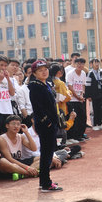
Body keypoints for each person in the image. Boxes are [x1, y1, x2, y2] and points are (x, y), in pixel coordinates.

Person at [27, 60, 63, 191]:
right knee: (46, 153)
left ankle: (45, 181)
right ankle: (46, 183)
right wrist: (47, 121)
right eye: (40, 70)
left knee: (48, 152)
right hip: (45, 124)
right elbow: (38, 107)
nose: (44, 71)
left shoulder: (45, 84)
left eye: (45, 69)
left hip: (51, 123)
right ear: (35, 73)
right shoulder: (35, 86)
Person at [0, 115, 39, 179]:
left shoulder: (21, 136)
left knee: (41, 158)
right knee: (2, 161)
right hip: (9, 164)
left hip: (19, 162)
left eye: (18, 124)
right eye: (13, 124)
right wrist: (27, 167)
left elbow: (34, 148)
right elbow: (9, 159)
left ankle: (22, 174)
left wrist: (26, 132)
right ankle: (31, 173)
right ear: (7, 126)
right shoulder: (1, 139)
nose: (16, 126)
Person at [65, 57, 89, 142]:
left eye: (81, 63)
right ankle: (72, 136)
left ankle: (80, 135)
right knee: (74, 117)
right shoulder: (70, 74)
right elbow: (70, 86)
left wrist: (82, 95)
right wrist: (77, 96)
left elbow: (83, 85)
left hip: (80, 99)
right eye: (78, 63)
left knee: (82, 117)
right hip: (72, 100)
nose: (80, 65)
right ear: (75, 64)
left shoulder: (83, 73)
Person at [85, 58, 102, 132]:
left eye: (98, 62)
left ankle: (101, 123)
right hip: (93, 94)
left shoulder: (101, 73)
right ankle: (95, 124)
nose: (97, 64)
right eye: (95, 63)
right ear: (91, 64)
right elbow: (87, 85)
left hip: (100, 94)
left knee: (101, 109)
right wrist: (88, 95)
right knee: (94, 109)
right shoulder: (90, 73)